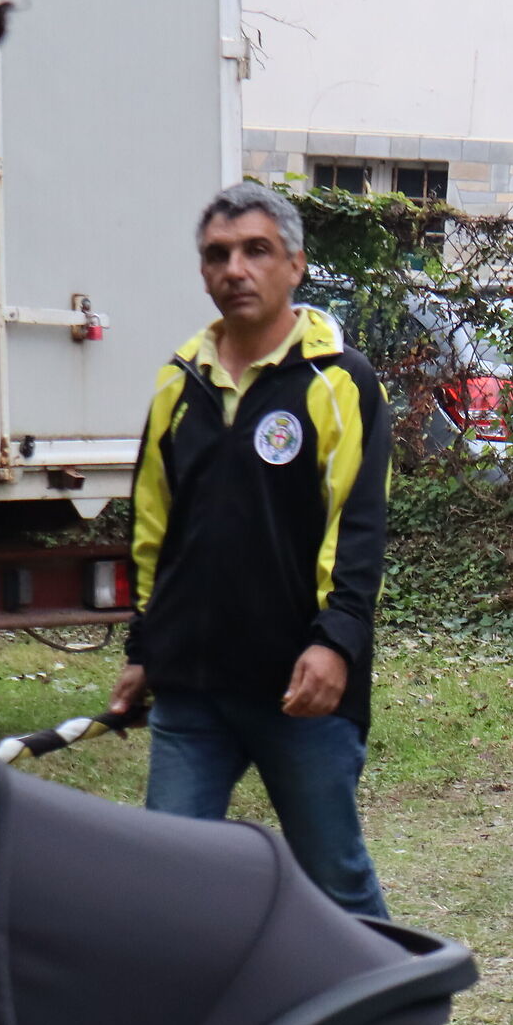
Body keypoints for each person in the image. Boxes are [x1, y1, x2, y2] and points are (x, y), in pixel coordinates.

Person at [109, 182, 393, 918]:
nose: (235, 269)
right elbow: (152, 530)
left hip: (301, 692)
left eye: (256, 251)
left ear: (295, 264)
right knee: (163, 888)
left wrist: (336, 644)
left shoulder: (339, 382)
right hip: (193, 691)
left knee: (337, 887)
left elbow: (356, 531)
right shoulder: (180, 383)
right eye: (217, 255)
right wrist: (146, 646)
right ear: (203, 272)